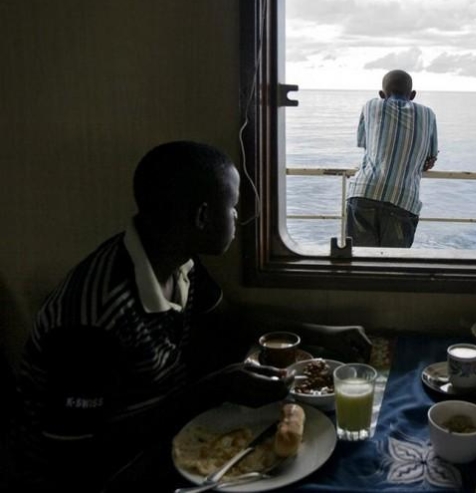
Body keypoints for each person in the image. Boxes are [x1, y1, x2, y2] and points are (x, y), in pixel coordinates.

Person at [11, 141, 371, 492]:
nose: (238, 217)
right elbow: (74, 451)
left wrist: (323, 333)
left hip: (167, 434)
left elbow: (232, 318)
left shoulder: (177, 262)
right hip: (100, 472)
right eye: (232, 206)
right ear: (201, 217)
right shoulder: (93, 318)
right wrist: (211, 390)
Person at [346, 69, 438, 247]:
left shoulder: (371, 106)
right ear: (413, 95)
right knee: (394, 260)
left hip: (364, 192)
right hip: (403, 200)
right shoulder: (429, 115)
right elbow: (429, 160)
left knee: (361, 258)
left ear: (381, 94)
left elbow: (365, 143)